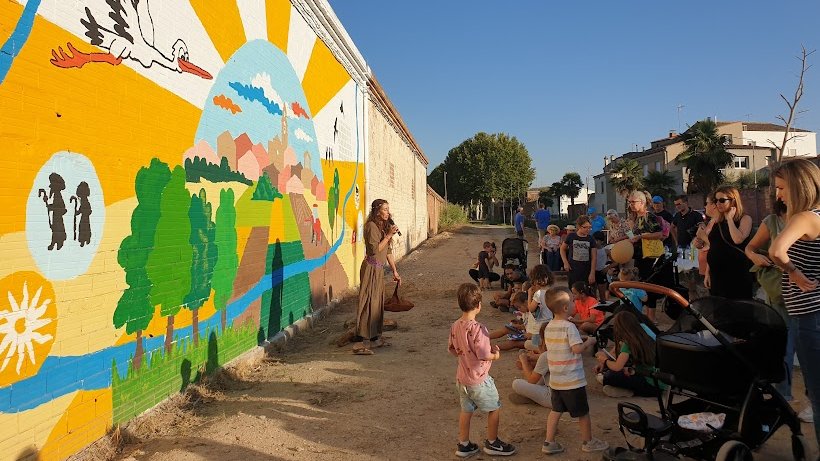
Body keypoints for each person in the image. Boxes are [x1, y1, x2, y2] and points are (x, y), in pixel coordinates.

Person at [769, 158, 820, 441]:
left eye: (780, 188)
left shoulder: (804, 218)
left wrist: (795, 274)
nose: (778, 195)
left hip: (808, 313)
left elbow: (777, 250)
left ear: (798, 186)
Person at [448, 283, 517, 457]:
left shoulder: (455, 326)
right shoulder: (479, 329)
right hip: (479, 379)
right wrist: (496, 355)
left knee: (466, 410)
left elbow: (452, 349)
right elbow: (485, 354)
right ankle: (493, 443)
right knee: (494, 408)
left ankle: (464, 444)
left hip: (462, 378)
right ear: (479, 305)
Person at [540, 288, 609, 455]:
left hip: (556, 381)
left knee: (556, 411)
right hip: (572, 380)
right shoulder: (569, 327)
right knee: (583, 413)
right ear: (565, 308)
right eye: (571, 301)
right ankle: (588, 441)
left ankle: (549, 442)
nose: (574, 304)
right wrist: (589, 342)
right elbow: (577, 349)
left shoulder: (548, 327)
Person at [745, 198, 796, 402]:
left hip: (809, 294)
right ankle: (783, 395)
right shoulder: (772, 221)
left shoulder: (811, 217)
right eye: (778, 188)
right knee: (784, 347)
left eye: (783, 188)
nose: (779, 194)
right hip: (780, 294)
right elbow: (751, 248)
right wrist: (755, 257)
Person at [353, 199, 400, 355]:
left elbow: (387, 252)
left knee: (377, 303)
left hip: (379, 270)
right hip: (370, 268)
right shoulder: (372, 227)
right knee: (367, 302)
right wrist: (388, 236)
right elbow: (374, 251)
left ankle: (374, 338)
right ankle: (360, 342)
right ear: (377, 211)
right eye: (384, 209)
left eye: (388, 209)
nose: (387, 212)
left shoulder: (382, 228)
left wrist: (394, 271)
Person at [594, 311, 664, 398]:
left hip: (650, 386)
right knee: (620, 371)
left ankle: (629, 391)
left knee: (609, 376)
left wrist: (604, 360)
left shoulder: (629, 342)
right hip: (659, 383)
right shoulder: (643, 334)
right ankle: (623, 389)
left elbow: (617, 366)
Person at [705, 186, 754, 299]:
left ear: (733, 200)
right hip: (717, 275)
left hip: (736, 274)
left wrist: (730, 219)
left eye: (722, 200)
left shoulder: (745, 219)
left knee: (738, 311)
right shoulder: (717, 221)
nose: (718, 203)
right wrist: (708, 272)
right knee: (720, 311)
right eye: (716, 200)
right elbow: (714, 247)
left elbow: (738, 239)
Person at [626, 191, 664, 323]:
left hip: (650, 257)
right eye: (629, 202)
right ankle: (645, 316)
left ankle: (651, 318)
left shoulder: (649, 216)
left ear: (642, 202)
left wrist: (641, 236)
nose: (630, 204)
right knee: (641, 285)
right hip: (639, 256)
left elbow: (659, 234)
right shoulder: (636, 218)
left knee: (649, 285)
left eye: (633, 202)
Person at [512, 322, 552, 408]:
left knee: (516, 383)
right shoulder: (566, 350)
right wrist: (533, 358)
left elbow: (531, 380)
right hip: (574, 396)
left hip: (555, 399)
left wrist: (524, 361)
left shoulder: (546, 356)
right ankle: (534, 396)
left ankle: (533, 398)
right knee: (540, 374)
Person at [560, 216, 597, 288]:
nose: (588, 229)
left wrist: (592, 272)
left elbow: (594, 257)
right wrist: (565, 262)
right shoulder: (571, 236)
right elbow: (562, 249)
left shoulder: (591, 239)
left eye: (589, 227)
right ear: (579, 226)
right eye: (585, 227)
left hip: (586, 269)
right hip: (573, 268)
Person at [525, 264, 555, 351]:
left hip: (538, 325)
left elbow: (531, 308)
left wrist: (530, 295)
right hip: (549, 321)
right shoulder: (552, 291)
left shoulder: (538, 294)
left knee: (539, 345)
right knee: (545, 343)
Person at [592, 231, 610, 299]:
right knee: (593, 294)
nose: (595, 242)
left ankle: (603, 307)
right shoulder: (591, 249)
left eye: (597, 240)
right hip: (593, 272)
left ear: (601, 241)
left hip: (601, 272)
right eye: (594, 240)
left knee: (602, 294)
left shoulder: (606, 250)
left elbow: (615, 262)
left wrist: (607, 268)